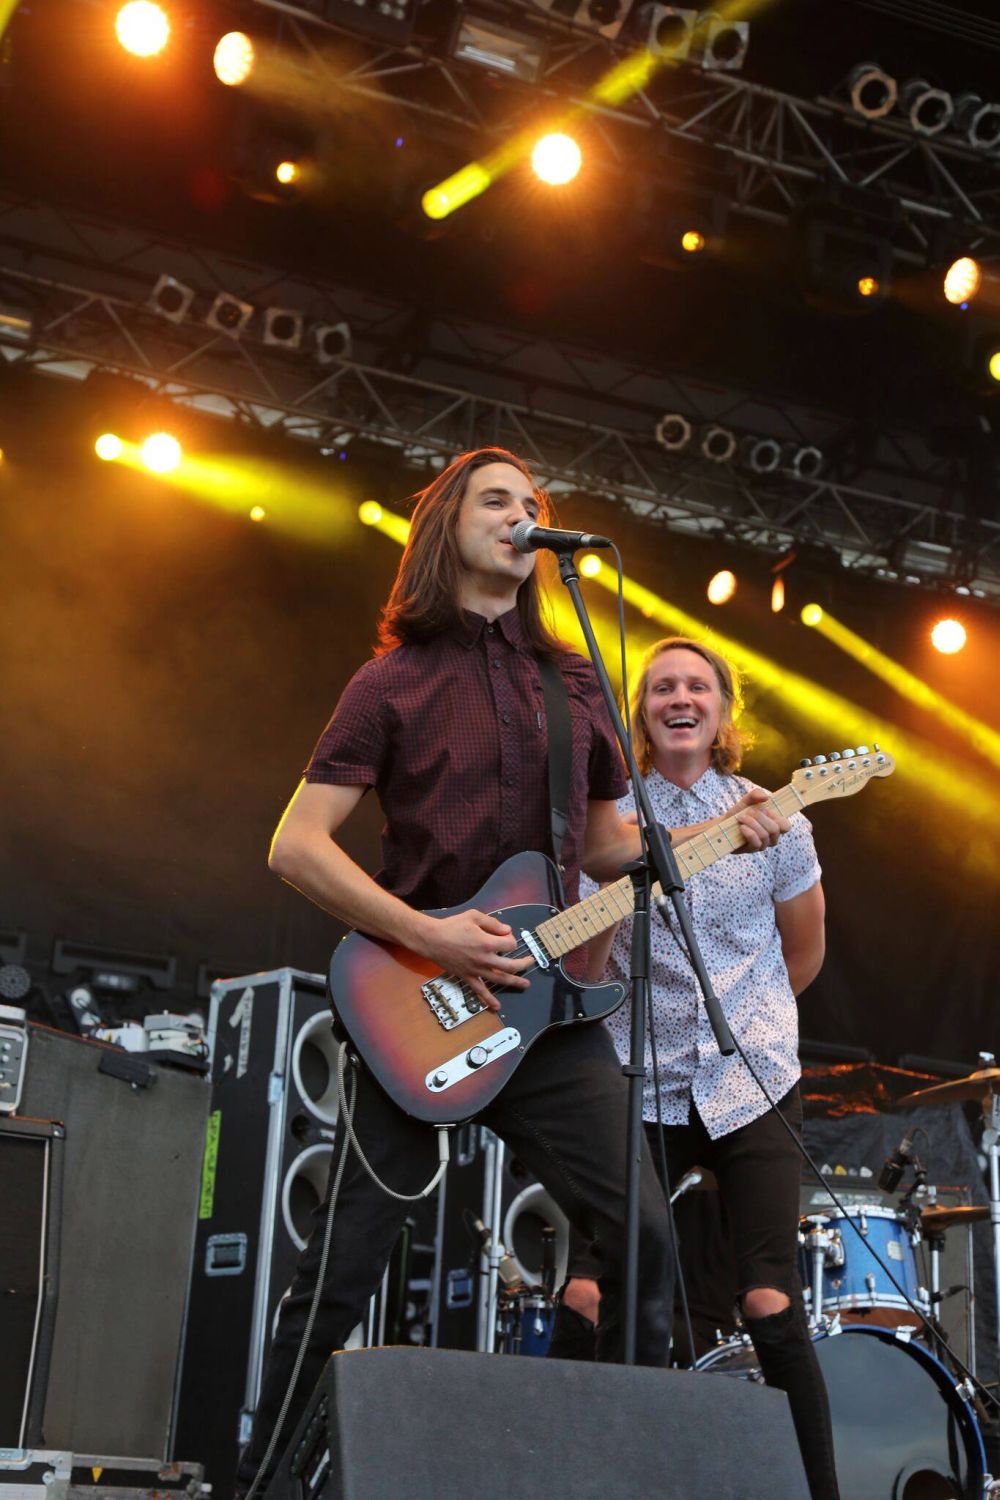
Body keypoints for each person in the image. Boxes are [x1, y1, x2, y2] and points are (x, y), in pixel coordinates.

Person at [235, 453, 789, 1493]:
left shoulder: (574, 681)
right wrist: (431, 936)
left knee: (645, 1243)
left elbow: (608, 847)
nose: (523, 515)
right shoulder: (390, 682)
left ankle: (617, 1480)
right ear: (447, 526)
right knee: (341, 1271)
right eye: (497, 500)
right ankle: (257, 1486)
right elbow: (296, 846)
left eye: (533, 504)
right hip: (419, 1008)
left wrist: (722, 835)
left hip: (549, 1022)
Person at [558, 636, 839, 1500]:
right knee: (589, 1294)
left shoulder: (774, 815)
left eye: (697, 686)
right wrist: (617, 896)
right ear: (641, 713)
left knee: (769, 1303)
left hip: (749, 1075)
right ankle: (579, 1478)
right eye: (662, 687)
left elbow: (803, 955)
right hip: (634, 1073)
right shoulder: (607, 822)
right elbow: (583, 969)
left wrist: (754, 1021)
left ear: (723, 711)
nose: (680, 698)